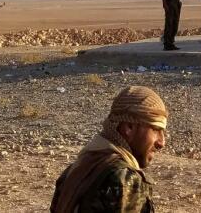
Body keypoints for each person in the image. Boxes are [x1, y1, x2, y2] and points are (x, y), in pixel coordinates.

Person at [51, 85, 168, 213]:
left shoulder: (77, 169)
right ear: (129, 127)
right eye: (156, 130)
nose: (161, 142)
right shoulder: (124, 179)